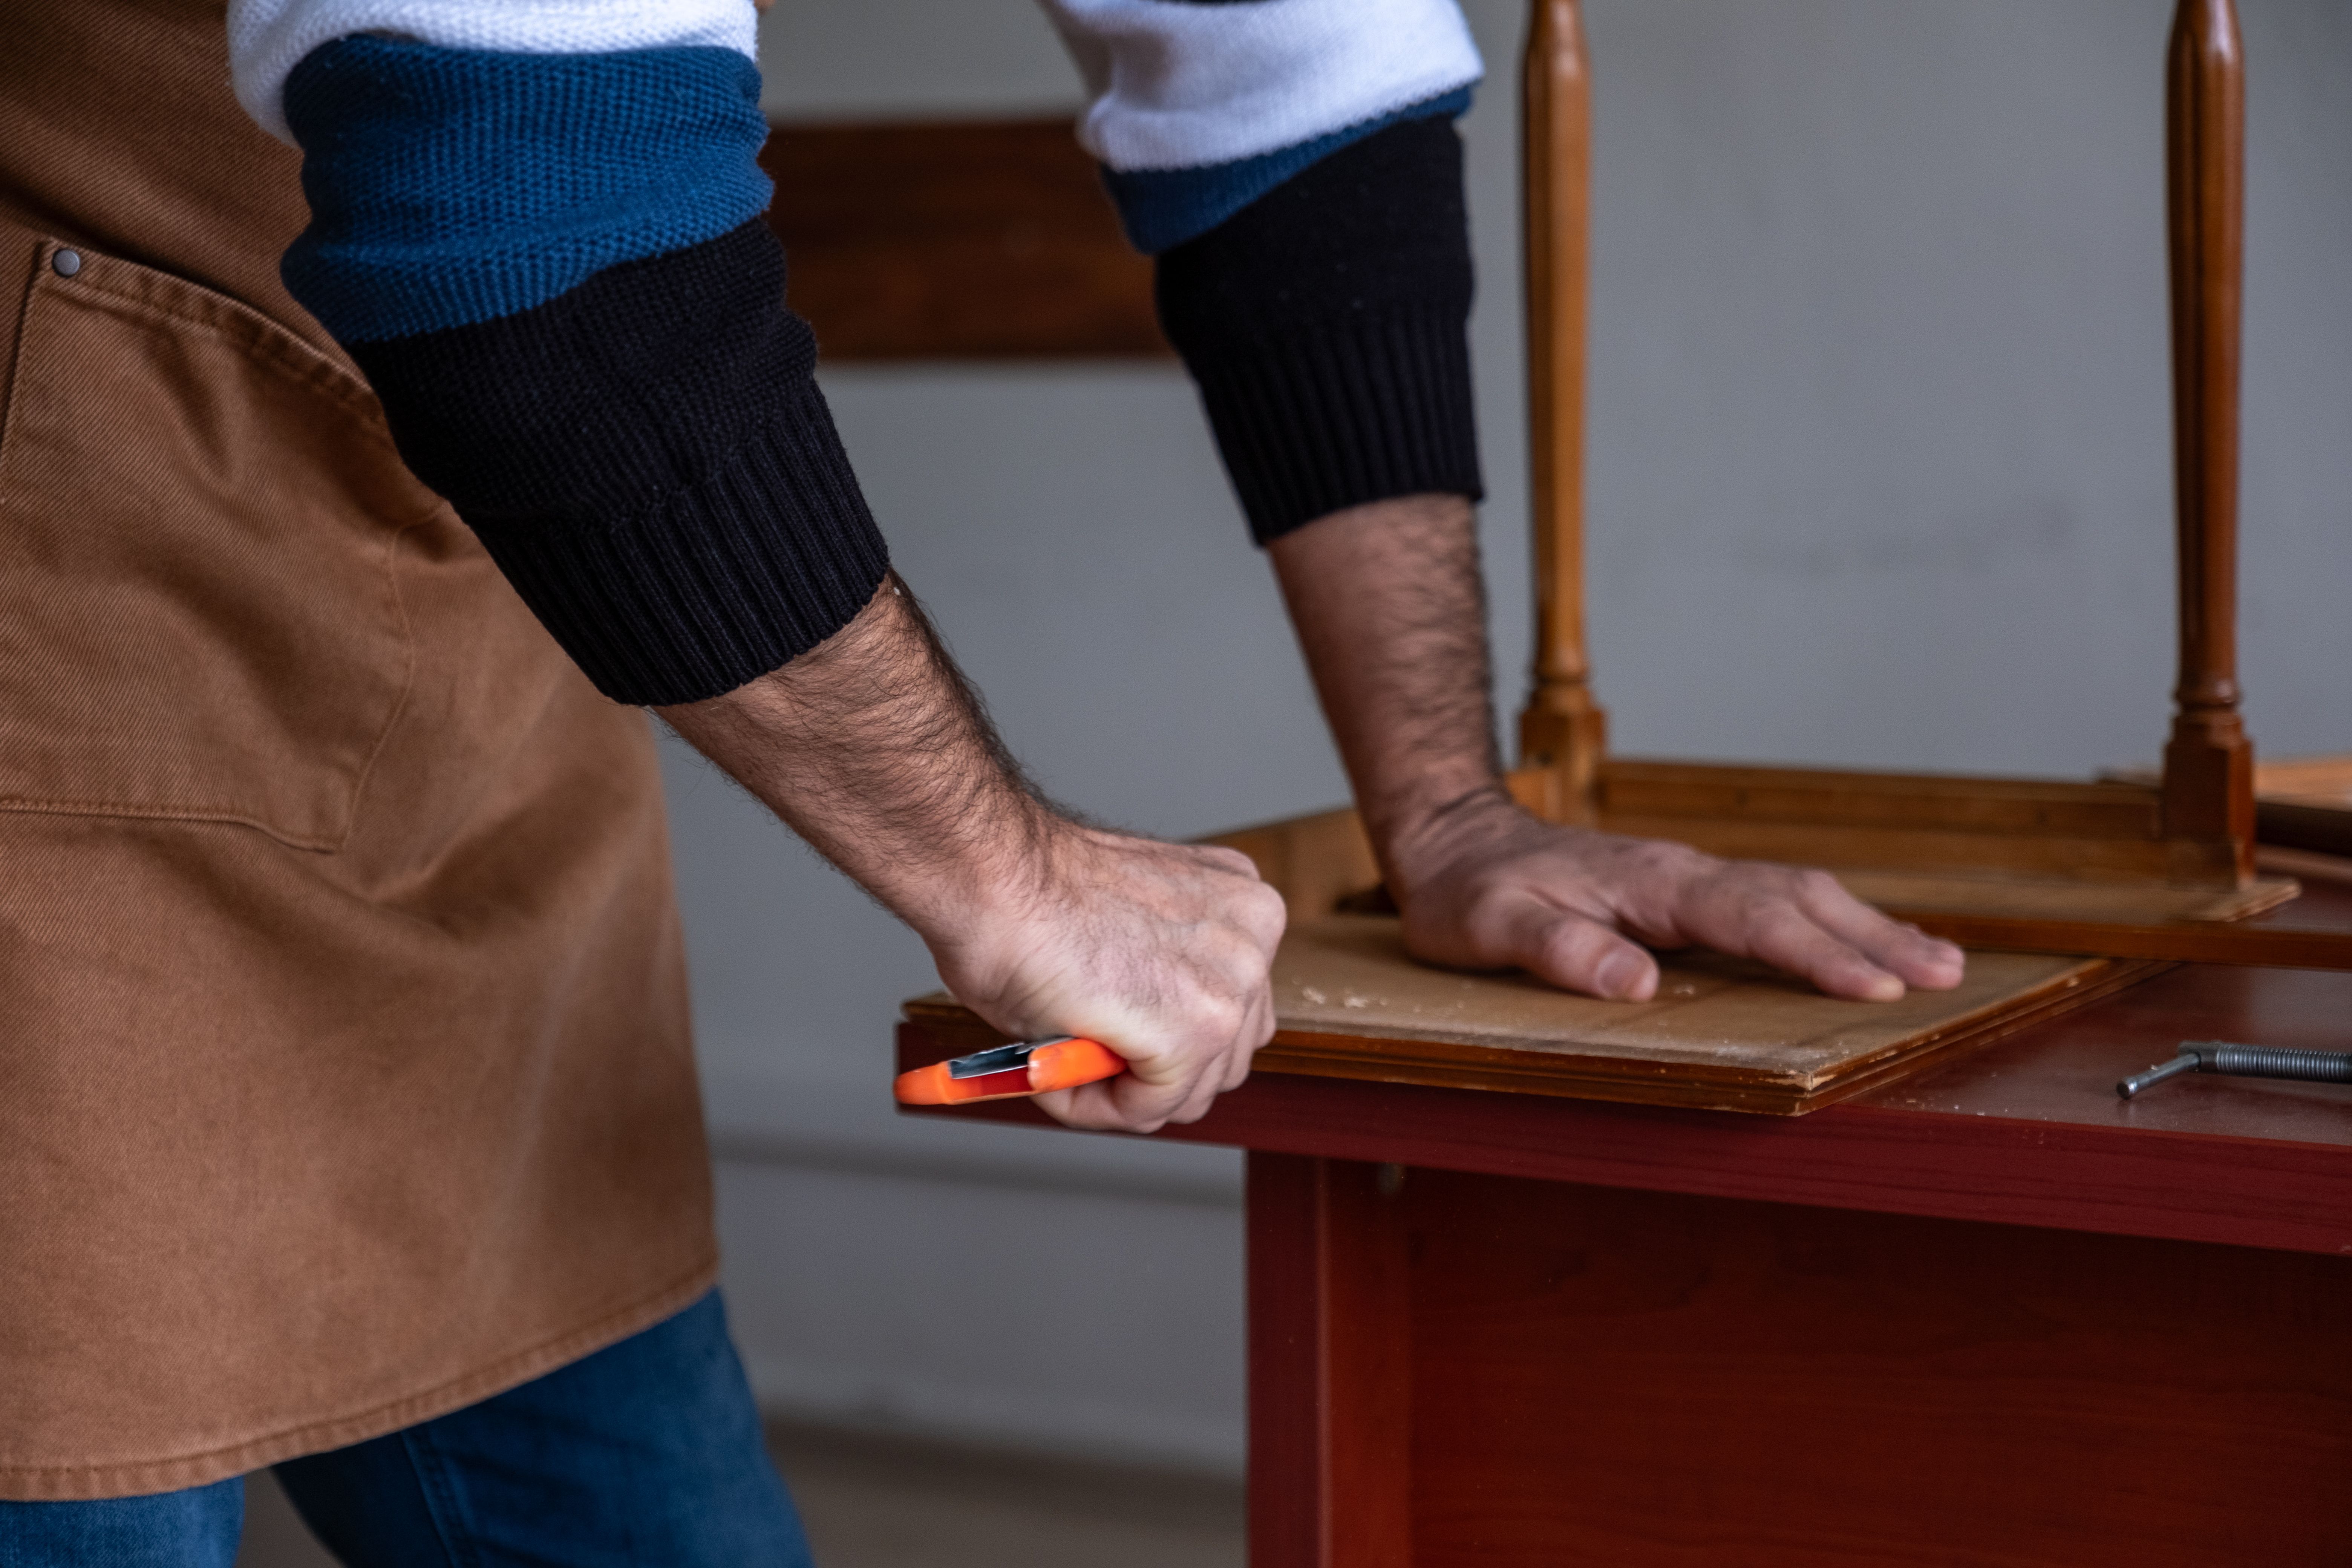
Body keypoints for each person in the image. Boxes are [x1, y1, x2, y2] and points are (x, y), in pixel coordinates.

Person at [0, 0, 1963, 1559]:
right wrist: (1006, 875)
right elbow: (528, 222)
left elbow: (1297, 103)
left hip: (440, 652)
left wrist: (1444, 809)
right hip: (56, 644)